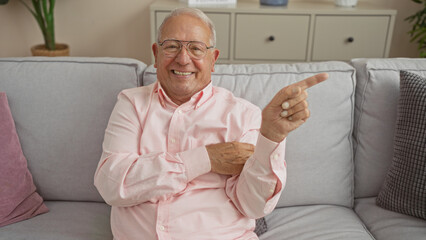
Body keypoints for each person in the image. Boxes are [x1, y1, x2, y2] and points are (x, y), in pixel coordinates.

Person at [94, 7, 328, 240]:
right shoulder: (131, 103)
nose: (183, 59)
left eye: (196, 48)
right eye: (172, 46)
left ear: (213, 59)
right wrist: (206, 159)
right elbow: (112, 184)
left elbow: (254, 207)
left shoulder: (244, 115)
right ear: (156, 54)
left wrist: (271, 138)